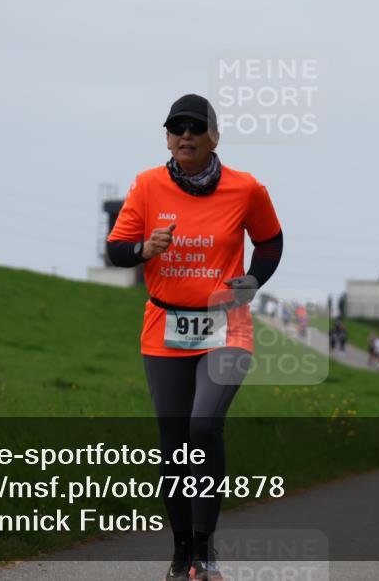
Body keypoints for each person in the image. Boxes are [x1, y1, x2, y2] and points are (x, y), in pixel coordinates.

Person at [106, 93, 283, 581]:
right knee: (174, 445)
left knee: (203, 428)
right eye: (175, 128)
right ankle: (182, 553)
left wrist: (252, 280)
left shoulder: (246, 189)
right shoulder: (146, 186)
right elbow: (116, 250)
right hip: (165, 327)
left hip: (226, 325)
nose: (185, 135)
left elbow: (270, 239)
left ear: (214, 136)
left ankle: (205, 553)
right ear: (167, 138)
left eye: (195, 127)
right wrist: (144, 247)